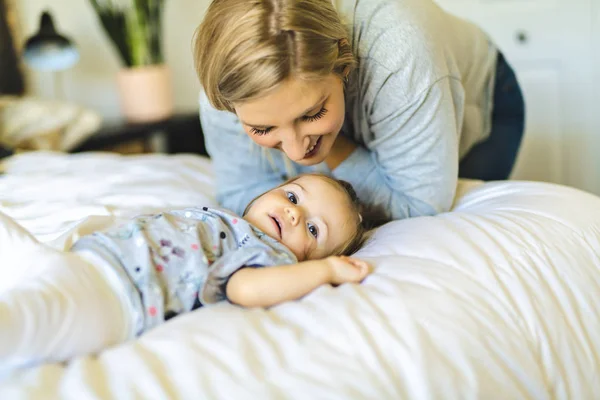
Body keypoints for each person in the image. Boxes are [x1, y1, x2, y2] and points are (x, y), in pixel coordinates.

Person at [0, 174, 376, 370]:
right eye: (293, 196)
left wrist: (326, 271)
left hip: (114, 299)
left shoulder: (267, 255)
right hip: (81, 260)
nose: (294, 213)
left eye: (313, 230)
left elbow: (247, 290)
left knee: (21, 320)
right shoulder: (227, 219)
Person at [194, 0, 525, 220]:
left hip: (484, 99)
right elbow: (241, 192)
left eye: (311, 113)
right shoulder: (228, 84)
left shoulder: (399, 55)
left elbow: (419, 205)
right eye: (263, 129)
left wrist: (332, 151)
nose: (297, 152)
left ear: (343, 60)